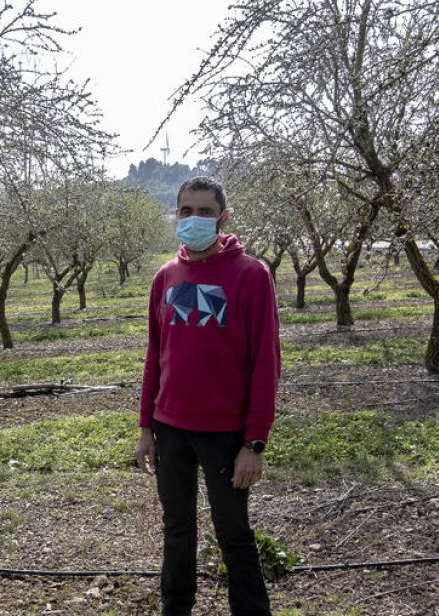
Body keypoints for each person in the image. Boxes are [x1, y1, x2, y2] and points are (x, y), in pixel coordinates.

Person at [135, 175, 281, 616]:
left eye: (204, 211)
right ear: (175, 215)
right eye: (185, 211)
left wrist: (254, 443)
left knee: (233, 532)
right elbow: (154, 357)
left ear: (223, 218)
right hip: (171, 430)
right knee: (176, 530)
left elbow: (266, 365)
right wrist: (146, 427)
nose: (194, 219)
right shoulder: (166, 277)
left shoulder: (251, 276)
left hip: (225, 433)